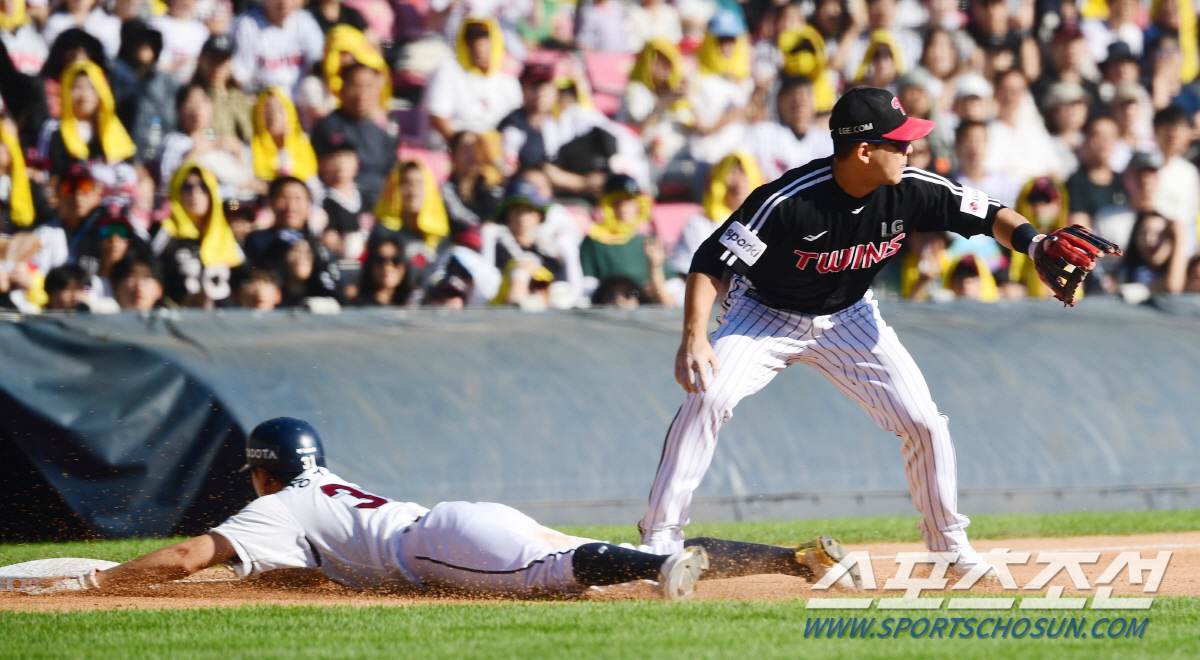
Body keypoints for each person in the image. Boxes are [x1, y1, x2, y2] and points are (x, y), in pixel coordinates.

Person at [635, 88, 1121, 577]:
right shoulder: (787, 201)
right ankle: (659, 538)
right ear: (864, 150)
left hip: (850, 317)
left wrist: (1034, 242)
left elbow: (985, 211)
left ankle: (949, 548)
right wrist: (695, 338)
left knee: (925, 423)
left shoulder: (911, 186)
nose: (911, 149)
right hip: (765, 315)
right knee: (709, 395)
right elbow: (709, 262)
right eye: (900, 141)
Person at [22, 417, 862, 598]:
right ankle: (792, 560)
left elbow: (182, 559)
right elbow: (309, 571)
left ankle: (662, 570)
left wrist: (103, 584)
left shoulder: (271, 509)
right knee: (580, 553)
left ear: (261, 471)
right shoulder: (323, 495)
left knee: (559, 575)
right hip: (453, 521)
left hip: (436, 546)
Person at [152, 163, 246, 307]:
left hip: (224, 322)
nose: (195, 193)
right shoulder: (165, 234)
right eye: (187, 187)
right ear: (176, 191)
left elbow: (243, 279)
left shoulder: (226, 236)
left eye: (203, 186)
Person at [420, 18, 521, 146]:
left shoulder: (508, 80)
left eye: (484, 39)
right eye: (471, 39)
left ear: (495, 41)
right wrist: (462, 148)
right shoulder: (448, 71)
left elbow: (519, 122)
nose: (477, 45)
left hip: (497, 152)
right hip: (455, 149)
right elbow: (437, 116)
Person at [310, 62, 396, 209]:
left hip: (381, 201)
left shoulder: (387, 127)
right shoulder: (328, 126)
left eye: (368, 86)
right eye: (355, 86)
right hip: (342, 203)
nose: (362, 94)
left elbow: (391, 167)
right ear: (342, 89)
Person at [580, 174, 674, 306]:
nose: (624, 209)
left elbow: (671, 297)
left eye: (630, 202)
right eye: (617, 203)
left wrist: (655, 270)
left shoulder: (649, 241)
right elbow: (587, 290)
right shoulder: (593, 242)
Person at [39, 60, 137, 178]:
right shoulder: (54, 130)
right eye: (77, 87)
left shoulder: (114, 132)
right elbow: (46, 173)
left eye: (92, 88)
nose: (84, 94)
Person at [670, 152, 762, 276]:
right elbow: (686, 270)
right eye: (733, 172)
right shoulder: (699, 223)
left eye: (745, 173)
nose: (739, 181)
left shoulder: (763, 223)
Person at [744, 76, 834, 182]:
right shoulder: (762, 133)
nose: (800, 102)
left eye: (806, 97)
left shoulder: (827, 142)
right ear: (780, 101)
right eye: (794, 97)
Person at [230, 0, 325, 94]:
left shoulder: (305, 21)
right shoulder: (248, 24)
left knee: (313, 88)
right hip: (262, 98)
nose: (284, 2)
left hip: (300, 102)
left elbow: (318, 61)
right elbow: (241, 77)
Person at [192, 34, 254, 143]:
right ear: (201, 60)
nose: (217, 67)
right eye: (212, 60)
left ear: (230, 63)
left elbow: (249, 133)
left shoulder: (241, 98)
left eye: (222, 61)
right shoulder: (192, 97)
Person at [251, 88, 319, 185]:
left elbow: (309, 176)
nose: (273, 116)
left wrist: (284, 147)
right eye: (267, 110)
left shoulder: (303, 142)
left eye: (279, 110)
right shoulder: (250, 147)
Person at [1065, 113, 1122, 228]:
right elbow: (1079, 227)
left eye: (1110, 136)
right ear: (1086, 139)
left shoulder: (1124, 181)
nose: (1104, 142)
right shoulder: (1077, 182)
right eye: (1098, 136)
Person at [150, 0, 210, 84]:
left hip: (192, 86)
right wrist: (177, 65)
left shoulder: (201, 30)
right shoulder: (156, 25)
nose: (186, 2)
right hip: (162, 83)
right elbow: (152, 63)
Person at [352, 235, 412, 306]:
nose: (387, 267)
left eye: (395, 261)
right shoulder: (356, 307)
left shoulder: (415, 306)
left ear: (404, 267)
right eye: (380, 260)